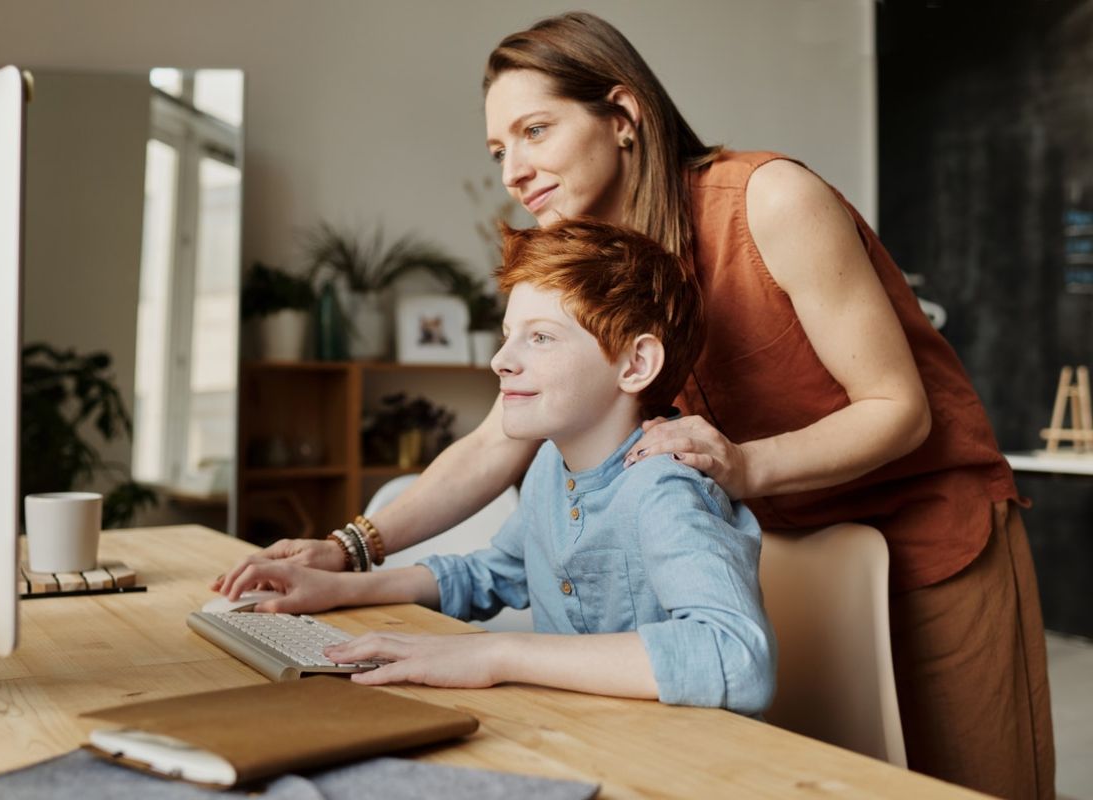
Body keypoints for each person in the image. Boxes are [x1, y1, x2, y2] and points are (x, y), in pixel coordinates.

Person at [216, 12, 1053, 797]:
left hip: (930, 535)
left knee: (968, 786)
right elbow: (495, 441)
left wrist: (743, 463)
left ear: (622, 114)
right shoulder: (590, 259)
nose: (513, 170)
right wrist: (347, 548)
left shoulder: (770, 199)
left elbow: (897, 408)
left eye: (535, 131)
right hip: (782, 545)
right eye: (498, 148)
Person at [219, 219, 776, 712]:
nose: (501, 360)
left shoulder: (665, 487)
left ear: (635, 364)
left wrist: (497, 653)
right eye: (509, 335)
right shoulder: (548, 470)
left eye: (539, 338)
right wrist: (338, 587)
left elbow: (736, 656)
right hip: (573, 733)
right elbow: (495, 573)